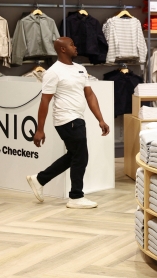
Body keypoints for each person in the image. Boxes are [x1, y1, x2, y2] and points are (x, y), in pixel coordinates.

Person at [26, 37, 110, 209]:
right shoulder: (53, 72)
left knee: (75, 155)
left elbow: (90, 95)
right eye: (72, 44)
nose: (75, 47)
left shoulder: (80, 69)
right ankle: (76, 196)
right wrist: (39, 129)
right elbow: (44, 101)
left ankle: (39, 179)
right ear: (62, 49)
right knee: (81, 156)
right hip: (66, 119)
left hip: (78, 118)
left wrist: (100, 119)